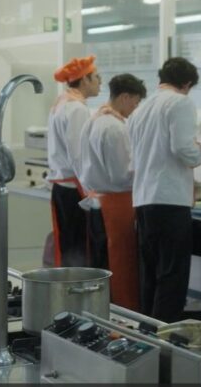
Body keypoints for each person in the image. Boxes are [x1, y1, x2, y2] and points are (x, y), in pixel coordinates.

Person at [128, 57, 201, 323]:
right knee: (172, 276)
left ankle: (146, 332)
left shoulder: (140, 110)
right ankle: (164, 338)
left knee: (151, 274)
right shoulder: (180, 102)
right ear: (187, 84)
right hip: (169, 200)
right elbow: (184, 149)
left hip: (143, 200)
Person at [78, 73, 147, 310]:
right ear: (125, 97)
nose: (135, 108)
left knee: (101, 263)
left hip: (97, 200)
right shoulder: (114, 128)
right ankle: (123, 315)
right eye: (135, 102)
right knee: (120, 265)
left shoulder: (94, 120)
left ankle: (101, 310)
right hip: (116, 205)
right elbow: (121, 174)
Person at [47, 55, 101, 267]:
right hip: (75, 190)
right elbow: (79, 156)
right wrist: (91, 192)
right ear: (85, 79)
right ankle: (76, 286)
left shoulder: (61, 102)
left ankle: (68, 284)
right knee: (79, 249)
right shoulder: (77, 109)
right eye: (96, 77)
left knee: (67, 246)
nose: (100, 82)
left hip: (62, 187)